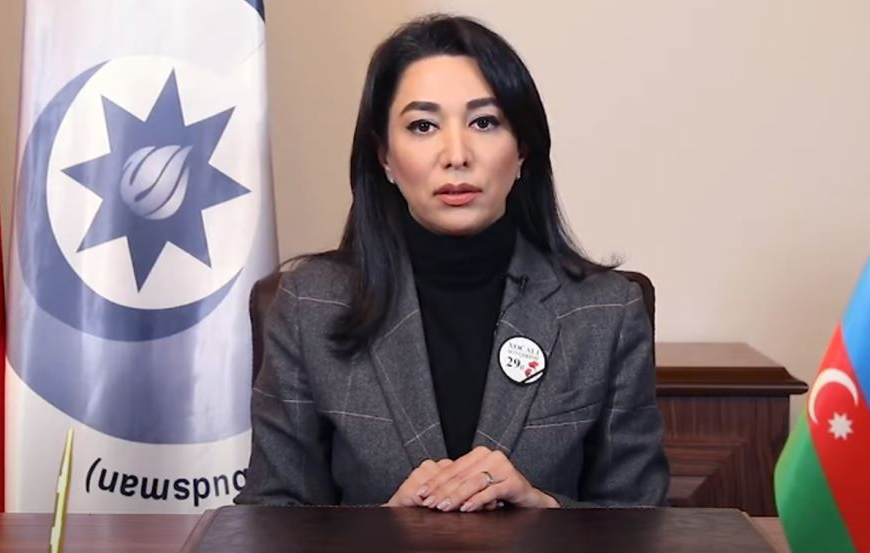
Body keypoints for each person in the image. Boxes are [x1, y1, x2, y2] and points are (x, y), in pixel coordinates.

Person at [236, 14, 668, 511]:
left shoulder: (605, 312)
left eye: (484, 122)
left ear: (523, 149)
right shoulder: (310, 305)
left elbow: (643, 524)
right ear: (384, 156)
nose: (456, 155)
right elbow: (269, 521)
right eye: (423, 126)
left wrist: (544, 511)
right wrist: (381, 531)